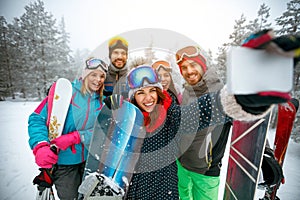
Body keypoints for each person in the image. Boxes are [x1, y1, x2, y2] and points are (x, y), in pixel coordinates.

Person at [116, 59, 281, 199]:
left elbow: (196, 113)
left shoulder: (170, 113)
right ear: (132, 96)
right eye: (141, 93)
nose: (148, 97)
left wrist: (230, 99)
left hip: (163, 190)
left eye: (152, 90)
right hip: (132, 190)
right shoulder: (128, 121)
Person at [28, 57, 108, 199]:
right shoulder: (65, 93)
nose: (98, 79)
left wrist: (77, 137)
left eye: (102, 76)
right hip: (64, 164)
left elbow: (102, 131)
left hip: (90, 162)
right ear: (84, 74)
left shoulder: (100, 101)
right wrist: (40, 146)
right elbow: (36, 119)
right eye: (94, 74)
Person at [175, 45, 232, 200]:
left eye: (193, 65)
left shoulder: (220, 91)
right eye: (184, 67)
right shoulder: (187, 90)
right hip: (182, 165)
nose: (189, 71)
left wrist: (264, 152)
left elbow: (244, 115)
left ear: (203, 65)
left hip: (206, 172)